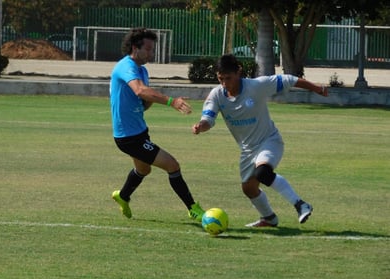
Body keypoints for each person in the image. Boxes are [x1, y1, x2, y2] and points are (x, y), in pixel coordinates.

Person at [192, 54, 328, 227]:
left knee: (262, 173)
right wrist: (200, 126)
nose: (225, 83)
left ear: (238, 72)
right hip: (248, 150)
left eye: (228, 78)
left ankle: (301, 204)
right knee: (248, 188)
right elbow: (208, 119)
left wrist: (317, 89)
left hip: (269, 141)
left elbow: (289, 79)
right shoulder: (217, 95)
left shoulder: (256, 86)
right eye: (221, 78)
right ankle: (269, 218)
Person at [109, 27, 205, 221]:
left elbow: (142, 104)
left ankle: (123, 195)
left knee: (144, 169)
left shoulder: (142, 70)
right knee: (172, 165)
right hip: (128, 137)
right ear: (135, 48)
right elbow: (139, 91)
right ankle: (193, 208)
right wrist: (171, 101)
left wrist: (151, 98)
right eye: (149, 49)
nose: (152, 53)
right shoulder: (125, 66)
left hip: (140, 132)